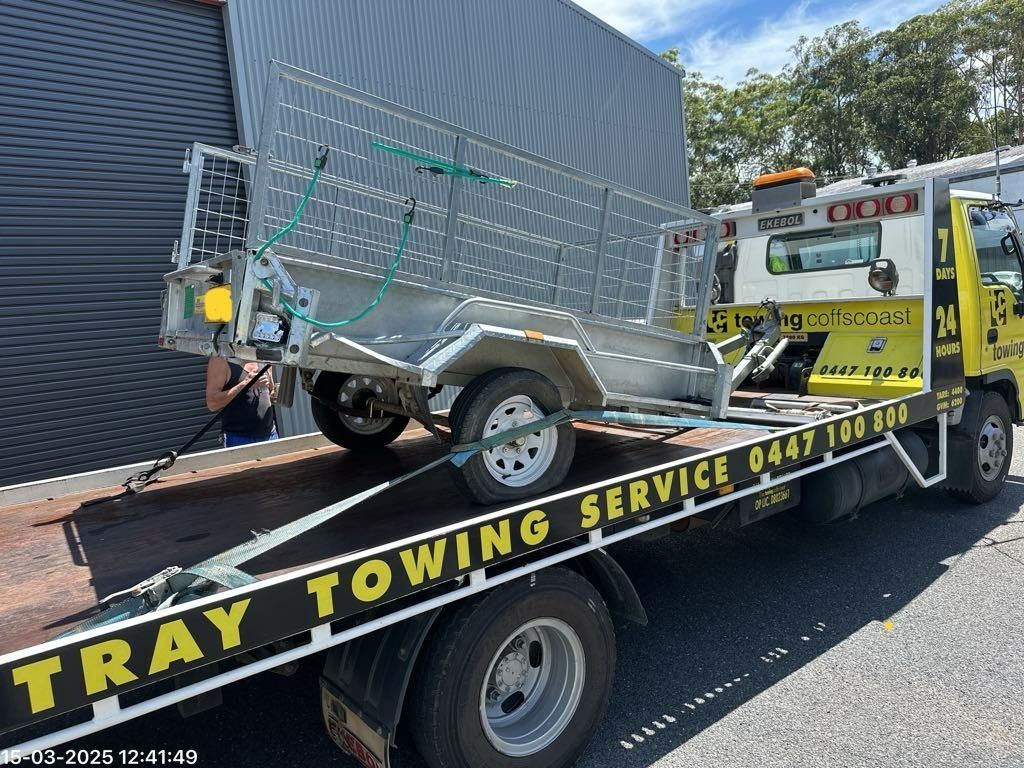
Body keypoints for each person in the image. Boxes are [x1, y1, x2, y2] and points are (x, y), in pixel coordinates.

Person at [205, 358, 278, 447]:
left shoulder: (262, 356)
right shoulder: (220, 360)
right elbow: (212, 403)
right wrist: (245, 384)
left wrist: (274, 394)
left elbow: (270, 392)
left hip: (270, 435)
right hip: (238, 438)